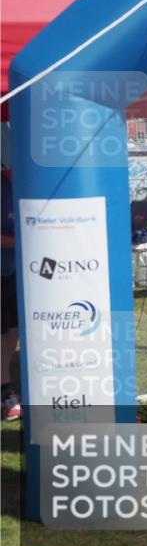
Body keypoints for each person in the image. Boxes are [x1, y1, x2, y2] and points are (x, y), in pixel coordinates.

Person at [1, 168, 20, 421]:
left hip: (17, 269)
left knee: (14, 331)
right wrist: (19, 240)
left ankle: (7, 386)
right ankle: (5, 392)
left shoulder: (29, 184)